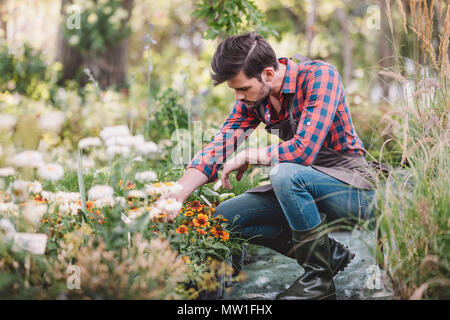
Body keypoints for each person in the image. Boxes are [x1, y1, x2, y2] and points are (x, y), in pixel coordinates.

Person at [173, 32, 376, 300]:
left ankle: (319, 281)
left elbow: (303, 151)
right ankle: (330, 255)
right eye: (234, 90)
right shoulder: (256, 100)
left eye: (243, 88)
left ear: (268, 74)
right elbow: (218, 147)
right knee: (226, 216)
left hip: (352, 188)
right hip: (301, 185)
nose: (238, 97)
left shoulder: (320, 77)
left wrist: (249, 155)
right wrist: (177, 194)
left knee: (284, 172)